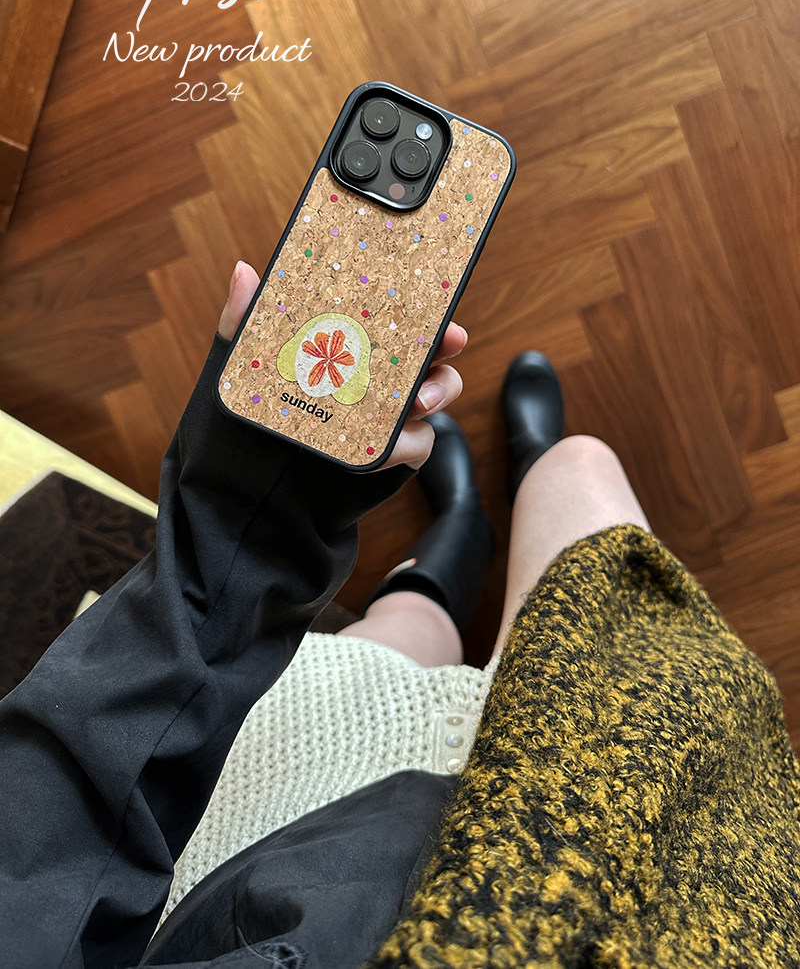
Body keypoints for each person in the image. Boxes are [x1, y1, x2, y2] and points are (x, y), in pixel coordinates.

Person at [1, 262, 799, 968]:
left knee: (393, 639)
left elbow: (43, 865)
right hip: (590, 846)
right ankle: (527, 474)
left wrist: (256, 519)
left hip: (288, 847)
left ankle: (461, 534)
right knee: (579, 473)